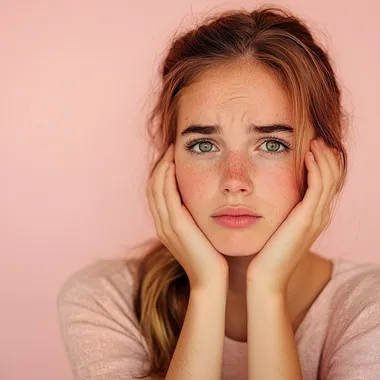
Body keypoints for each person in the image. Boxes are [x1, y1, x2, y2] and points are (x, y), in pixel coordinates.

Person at [57, 5, 380, 380]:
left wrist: (267, 290)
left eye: (272, 144)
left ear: (327, 160)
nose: (234, 179)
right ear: (168, 157)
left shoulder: (368, 310)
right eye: (204, 145)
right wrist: (207, 288)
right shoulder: (104, 300)